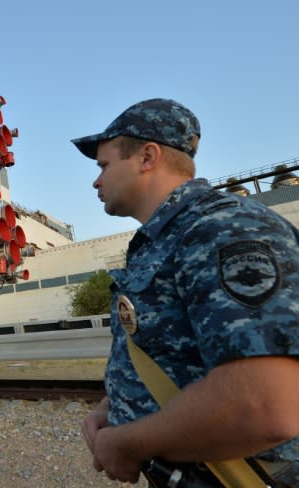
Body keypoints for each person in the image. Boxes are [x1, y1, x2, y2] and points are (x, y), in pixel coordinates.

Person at [72, 98, 299, 486]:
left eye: (104, 165)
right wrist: (115, 406)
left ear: (147, 157)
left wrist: (126, 444)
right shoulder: (169, 237)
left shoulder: (225, 228)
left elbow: (264, 406)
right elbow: (171, 347)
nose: (96, 180)